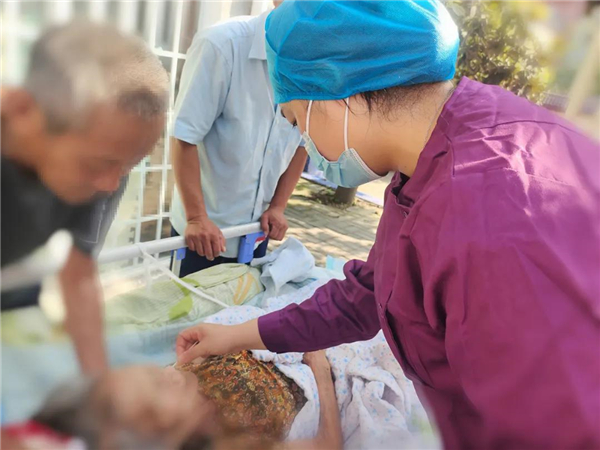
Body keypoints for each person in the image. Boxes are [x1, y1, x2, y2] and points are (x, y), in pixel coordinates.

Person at [176, 1, 600, 448]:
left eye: (297, 121)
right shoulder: (439, 148)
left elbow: (554, 427)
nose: (303, 142)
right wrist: (236, 336)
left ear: (332, 95)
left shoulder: (491, 219)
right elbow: (368, 293)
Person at [1, 21, 169, 374]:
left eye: (129, 166)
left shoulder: (106, 159)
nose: (110, 185)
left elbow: (79, 275)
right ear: (22, 112)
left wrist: (99, 383)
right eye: (98, 164)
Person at [171, 0, 306, 276]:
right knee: (190, 302)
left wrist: (278, 206)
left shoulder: (312, 62)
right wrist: (196, 217)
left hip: (257, 231)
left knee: (245, 300)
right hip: (203, 233)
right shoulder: (222, 45)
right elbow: (184, 137)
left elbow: (303, 142)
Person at [25, 351, 341, 450]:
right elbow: (327, 444)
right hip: (301, 372)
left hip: (268, 348)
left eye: (154, 371)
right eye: (160, 384)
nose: (170, 373)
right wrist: (321, 371)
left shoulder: (183, 385)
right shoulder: (234, 441)